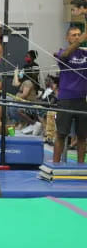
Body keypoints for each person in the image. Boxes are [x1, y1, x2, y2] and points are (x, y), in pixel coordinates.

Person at [53, 26, 87, 163]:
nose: (77, 37)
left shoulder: (85, 55)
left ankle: (81, 166)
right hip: (66, 99)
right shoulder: (63, 53)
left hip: (81, 100)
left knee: (82, 136)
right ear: (67, 38)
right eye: (73, 35)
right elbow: (65, 55)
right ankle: (55, 164)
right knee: (61, 134)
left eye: (79, 35)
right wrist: (80, 42)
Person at [11, 50, 42, 135]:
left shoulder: (33, 71)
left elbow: (24, 94)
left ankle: (29, 123)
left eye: (28, 56)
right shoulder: (25, 69)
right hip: (26, 92)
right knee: (8, 101)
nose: (26, 58)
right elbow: (15, 83)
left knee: (12, 106)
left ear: (32, 57)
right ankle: (23, 123)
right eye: (26, 56)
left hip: (29, 99)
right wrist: (16, 74)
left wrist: (16, 97)